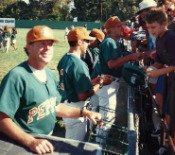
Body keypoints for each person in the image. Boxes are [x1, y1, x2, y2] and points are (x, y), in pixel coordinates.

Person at [0, 25, 102, 154]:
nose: (48, 48)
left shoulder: (49, 73)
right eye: (42, 43)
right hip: (21, 143)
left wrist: (84, 112)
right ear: (29, 47)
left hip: (44, 140)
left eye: (51, 44)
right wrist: (30, 141)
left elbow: (55, 107)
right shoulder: (17, 76)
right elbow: (2, 118)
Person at [57, 27, 111, 141]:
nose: (89, 43)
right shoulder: (78, 64)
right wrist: (101, 83)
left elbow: (73, 83)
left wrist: (93, 81)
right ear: (79, 42)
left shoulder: (64, 58)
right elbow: (83, 95)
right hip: (76, 108)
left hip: (67, 105)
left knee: (70, 142)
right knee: (73, 148)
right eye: (86, 41)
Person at [145, 9, 175, 140]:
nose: (151, 30)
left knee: (171, 113)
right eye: (148, 27)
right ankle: (167, 141)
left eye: (153, 27)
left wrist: (156, 72)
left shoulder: (171, 38)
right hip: (170, 80)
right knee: (166, 111)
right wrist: (150, 68)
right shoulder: (159, 39)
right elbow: (159, 61)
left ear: (164, 23)